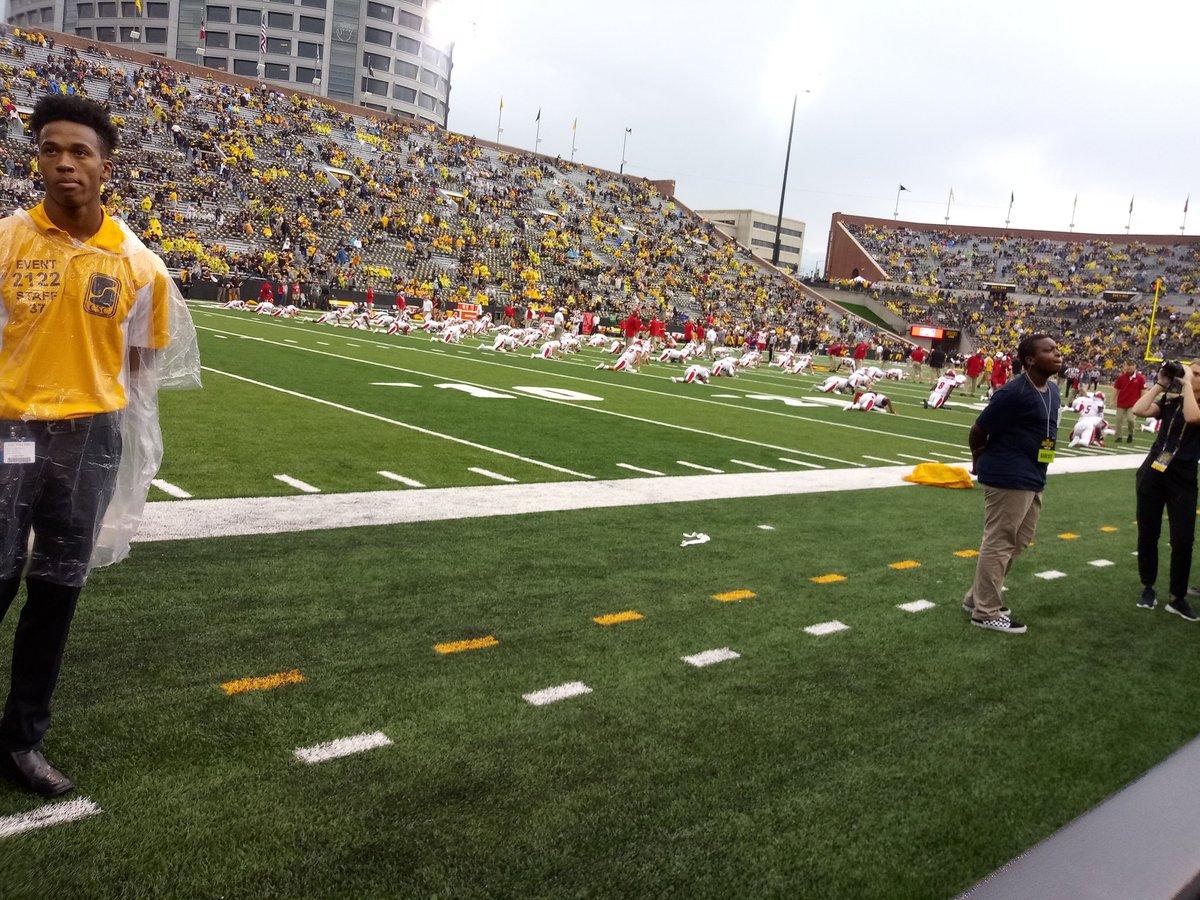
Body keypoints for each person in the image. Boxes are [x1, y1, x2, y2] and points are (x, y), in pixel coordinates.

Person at [0, 95, 199, 795]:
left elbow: (142, 365)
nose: (64, 163)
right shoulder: (5, 241)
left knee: (55, 593)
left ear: (105, 166)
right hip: (8, 435)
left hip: (89, 439)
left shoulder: (138, 264)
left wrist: (129, 440)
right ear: (38, 159)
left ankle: (21, 743)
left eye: (79, 151)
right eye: (51, 149)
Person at [962, 334, 1063, 634]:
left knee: (1018, 541)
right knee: (1000, 541)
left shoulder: (1053, 390)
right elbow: (978, 430)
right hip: (1009, 473)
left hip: (1034, 472)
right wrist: (978, 458)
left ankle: (976, 598)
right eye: (1049, 350)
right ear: (1030, 359)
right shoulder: (1014, 392)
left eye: (1057, 349)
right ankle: (986, 612)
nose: (1058, 354)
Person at [1131, 361, 1200, 620]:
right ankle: (1148, 586)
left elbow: (1194, 417)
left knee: (1182, 539)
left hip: (1182, 476)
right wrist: (1160, 383)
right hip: (1153, 472)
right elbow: (1139, 410)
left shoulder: (1192, 403)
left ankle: (1177, 597)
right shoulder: (1171, 403)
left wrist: (1187, 385)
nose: (1189, 376)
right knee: (1148, 533)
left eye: (1197, 374)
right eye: (1189, 371)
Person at [1113, 360, 1146, 444]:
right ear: (1125, 367)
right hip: (1121, 402)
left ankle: (1130, 433)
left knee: (1131, 419)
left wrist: (1142, 402)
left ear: (1135, 366)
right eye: (1127, 365)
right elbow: (1116, 389)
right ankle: (1119, 436)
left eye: (1131, 365)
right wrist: (1112, 400)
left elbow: (1143, 391)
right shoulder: (1121, 377)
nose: (1129, 367)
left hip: (1133, 404)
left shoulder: (1140, 378)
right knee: (1118, 420)